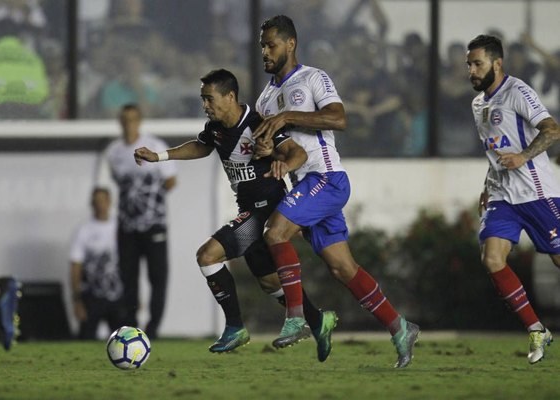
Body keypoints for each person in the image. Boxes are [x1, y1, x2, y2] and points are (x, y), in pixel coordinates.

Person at [134, 69, 338, 361]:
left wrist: (284, 166)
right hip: (248, 209)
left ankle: (235, 327)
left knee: (207, 255)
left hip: (266, 209)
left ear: (230, 97)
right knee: (269, 283)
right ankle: (319, 321)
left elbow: (298, 154)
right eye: (203, 99)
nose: (205, 105)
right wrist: (160, 156)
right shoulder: (215, 128)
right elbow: (202, 147)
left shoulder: (258, 124)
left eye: (209, 98)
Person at [252, 15, 419, 368]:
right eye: (262, 45)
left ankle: (296, 318)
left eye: (271, 44)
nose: (265, 51)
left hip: (326, 178)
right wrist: (267, 149)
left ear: (290, 44)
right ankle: (400, 327)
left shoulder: (314, 78)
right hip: (304, 188)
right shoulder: (265, 99)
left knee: (276, 232)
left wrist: (287, 118)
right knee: (343, 268)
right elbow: (279, 146)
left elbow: (338, 118)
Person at [466, 34, 560, 364]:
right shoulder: (478, 104)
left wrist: (523, 156)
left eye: (477, 64)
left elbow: (552, 130)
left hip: (537, 192)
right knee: (492, 258)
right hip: (502, 196)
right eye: (469, 64)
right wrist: (487, 186)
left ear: (497, 63)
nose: (471, 71)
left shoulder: (518, 91)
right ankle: (537, 329)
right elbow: (493, 152)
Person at [97, 103, 177, 339]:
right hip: (127, 227)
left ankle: (153, 328)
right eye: (124, 119)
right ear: (120, 121)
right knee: (128, 278)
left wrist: (149, 197)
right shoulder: (114, 152)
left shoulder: (155, 146)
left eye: (132, 119)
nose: (128, 123)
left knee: (157, 277)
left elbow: (171, 180)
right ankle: (131, 326)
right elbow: (110, 183)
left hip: (154, 225)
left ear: (139, 120)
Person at [69, 187, 125, 340]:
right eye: (96, 201)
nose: (100, 204)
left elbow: (131, 264)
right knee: (86, 338)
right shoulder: (84, 231)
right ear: (92, 203)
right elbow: (75, 266)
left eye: (103, 200)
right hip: (92, 296)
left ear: (110, 201)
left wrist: (136, 293)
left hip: (118, 294)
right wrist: (77, 300)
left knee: (126, 338)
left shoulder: (121, 228)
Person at [0, 277, 19, 350]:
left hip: (0, 287)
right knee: (6, 322)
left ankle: (8, 336)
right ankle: (8, 336)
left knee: (5, 322)